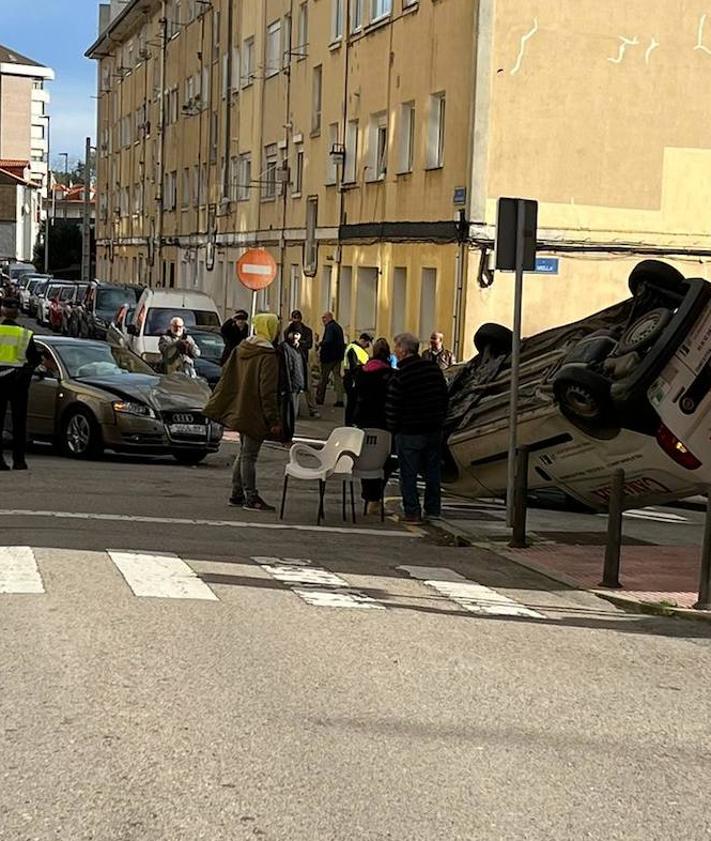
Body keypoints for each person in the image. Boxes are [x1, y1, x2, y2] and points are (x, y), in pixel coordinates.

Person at [204, 312, 282, 512]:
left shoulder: (242, 348)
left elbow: (227, 375)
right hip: (255, 411)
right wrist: (273, 419)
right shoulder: (268, 355)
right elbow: (268, 390)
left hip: (240, 407)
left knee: (244, 452)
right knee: (249, 455)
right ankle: (251, 496)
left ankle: (237, 494)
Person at [386, 332, 449, 524]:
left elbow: (392, 406)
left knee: (408, 473)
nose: (395, 351)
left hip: (409, 431)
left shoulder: (401, 375)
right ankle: (433, 510)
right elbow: (444, 396)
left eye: (396, 348)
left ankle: (412, 512)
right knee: (432, 472)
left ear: (404, 351)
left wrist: (393, 428)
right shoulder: (433, 369)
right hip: (433, 428)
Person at [353, 337, 395, 513]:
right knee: (385, 462)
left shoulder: (361, 372)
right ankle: (375, 499)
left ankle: (369, 496)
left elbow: (354, 396)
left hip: (363, 421)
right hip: (384, 423)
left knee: (366, 460)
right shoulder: (391, 375)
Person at [0, 298, 42, 470]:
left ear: (2, 312)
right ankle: (19, 460)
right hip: (18, 383)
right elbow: (34, 359)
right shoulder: (25, 334)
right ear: (17, 314)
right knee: (19, 422)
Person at [284, 310, 319, 417]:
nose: (296, 321)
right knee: (294, 386)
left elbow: (308, 344)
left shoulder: (307, 331)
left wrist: (298, 343)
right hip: (292, 360)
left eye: (297, 318)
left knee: (308, 385)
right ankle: (296, 410)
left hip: (303, 359)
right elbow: (287, 344)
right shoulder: (288, 331)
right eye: (294, 318)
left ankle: (313, 409)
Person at [315, 311, 346, 407]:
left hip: (329, 357)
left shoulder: (330, 327)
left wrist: (320, 344)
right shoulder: (338, 327)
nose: (323, 320)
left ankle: (320, 398)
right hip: (338, 356)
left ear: (329, 318)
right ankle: (340, 399)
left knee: (323, 377)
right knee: (337, 377)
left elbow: (328, 341)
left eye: (324, 318)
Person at [342, 332, 372, 425]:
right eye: (367, 343)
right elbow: (353, 366)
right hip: (352, 378)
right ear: (363, 340)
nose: (368, 346)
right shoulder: (353, 348)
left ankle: (352, 422)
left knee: (354, 402)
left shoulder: (359, 349)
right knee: (352, 402)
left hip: (355, 377)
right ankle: (349, 423)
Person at [280, 329, 306, 424]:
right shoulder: (284, 348)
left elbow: (302, 367)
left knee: (294, 409)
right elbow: (286, 367)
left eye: (298, 334)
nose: (295, 336)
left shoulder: (299, 348)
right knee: (289, 411)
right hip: (289, 383)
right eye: (293, 334)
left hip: (298, 382)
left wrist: (303, 383)